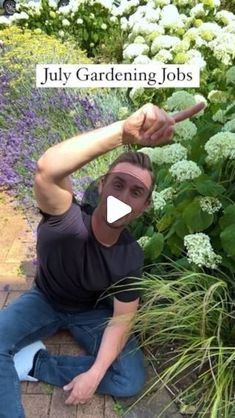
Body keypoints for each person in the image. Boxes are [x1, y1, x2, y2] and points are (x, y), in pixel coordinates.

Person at [0, 101, 204, 418]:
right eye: (118, 184)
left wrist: (94, 375)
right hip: (45, 300)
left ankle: (37, 363)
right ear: (101, 184)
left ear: (145, 207)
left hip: (92, 313)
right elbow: (47, 169)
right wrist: (123, 133)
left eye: (136, 192)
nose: (123, 197)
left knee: (129, 379)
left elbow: (122, 319)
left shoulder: (130, 255)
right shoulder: (64, 218)